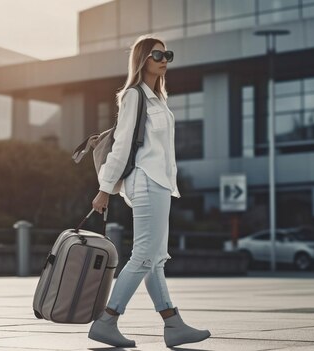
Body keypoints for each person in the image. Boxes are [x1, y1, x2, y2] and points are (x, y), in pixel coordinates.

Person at [87, 34, 211, 348]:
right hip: (145, 181)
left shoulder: (157, 99)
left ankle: (173, 324)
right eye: (157, 54)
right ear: (143, 59)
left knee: (155, 259)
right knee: (144, 255)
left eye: (167, 54)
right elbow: (121, 146)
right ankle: (107, 320)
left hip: (159, 183)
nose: (164, 59)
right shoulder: (133, 96)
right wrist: (104, 189)